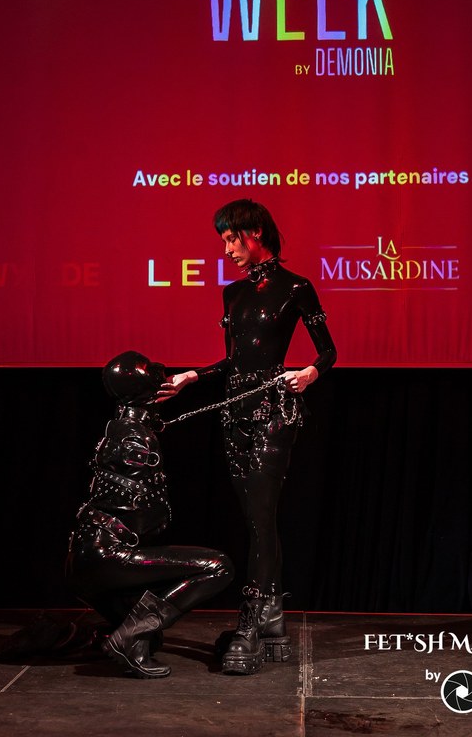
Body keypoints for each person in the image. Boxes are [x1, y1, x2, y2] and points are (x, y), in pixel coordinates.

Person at [159, 199, 336, 675]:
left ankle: (253, 619)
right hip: (234, 415)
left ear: (255, 232)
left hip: (273, 413)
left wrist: (309, 373)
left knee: (260, 519)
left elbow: (328, 351)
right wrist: (192, 376)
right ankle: (271, 617)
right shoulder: (232, 294)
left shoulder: (296, 288)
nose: (226, 249)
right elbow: (234, 363)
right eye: (222, 241)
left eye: (230, 239)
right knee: (256, 521)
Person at [65, 349, 234, 679]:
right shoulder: (133, 436)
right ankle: (128, 639)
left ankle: (129, 635)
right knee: (218, 566)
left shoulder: (119, 428)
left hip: (84, 561)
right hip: (107, 557)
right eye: (157, 377)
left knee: (152, 636)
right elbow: (150, 515)